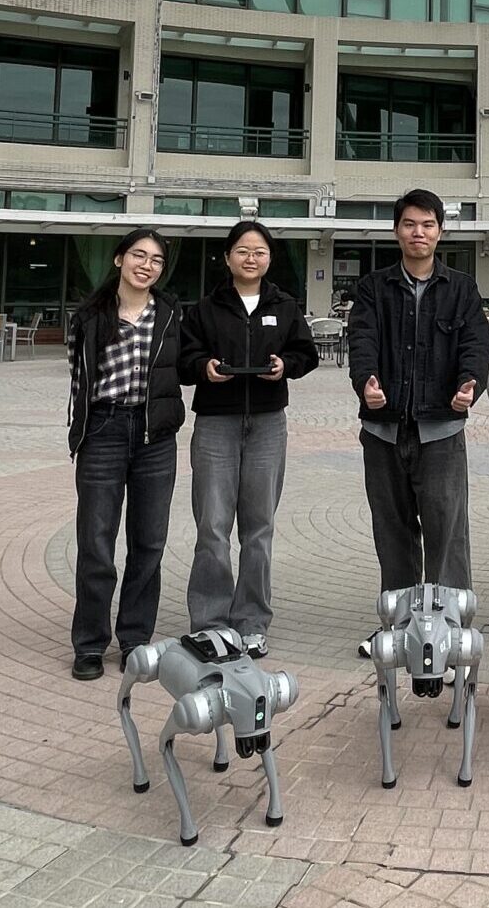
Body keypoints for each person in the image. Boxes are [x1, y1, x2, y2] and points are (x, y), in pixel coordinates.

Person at [177, 221, 318, 658]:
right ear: (227, 257)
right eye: (242, 251)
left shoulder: (285, 305)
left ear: (269, 259)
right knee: (213, 526)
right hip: (215, 424)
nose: (250, 258)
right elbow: (184, 360)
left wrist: (285, 365)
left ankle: (252, 622)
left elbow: (306, 354)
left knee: (259, 529)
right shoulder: (205, 308)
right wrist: (204, 368)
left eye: (259, 251)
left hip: (267, 423)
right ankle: (211, 623)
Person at [345, 189, 489, 617]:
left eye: (427, 225)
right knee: (392, 531)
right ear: (396, 231)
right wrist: (365, 383)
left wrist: (470, 384)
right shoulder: (373, 287)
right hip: (383, 430)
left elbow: (475, 346)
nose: (418, 232)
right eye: (409, 224)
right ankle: (401, 621)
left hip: (441, 430)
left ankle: (449, 622)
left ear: (440, 231)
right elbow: (363, 341)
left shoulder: (461, 288)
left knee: (448, 532)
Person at [64, 229, 184, 680]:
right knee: (96, 543)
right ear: (119, 259)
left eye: (156, 260)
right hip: (104, 432)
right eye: (138, 255)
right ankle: (90, 644)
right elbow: (78, 377)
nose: (146, 265)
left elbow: (185, 365)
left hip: (155, 438)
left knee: (149, 543)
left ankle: (134, 637)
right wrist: (80, 431)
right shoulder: (90, 315)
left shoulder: (170, 313)